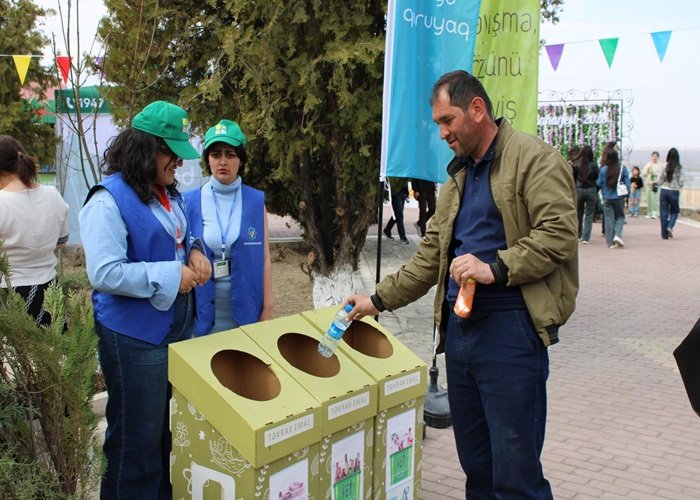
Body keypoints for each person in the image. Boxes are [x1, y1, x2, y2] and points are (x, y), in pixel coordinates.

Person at [346, 70, 578, 498]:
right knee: (477, 469)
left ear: (477, 109)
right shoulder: (457, 178)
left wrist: (497, 267)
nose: (442, 132)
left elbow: (559, 234)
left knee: (516, 475)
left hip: (512, 333)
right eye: (437, 123)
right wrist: (376, 300)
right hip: (461, 334)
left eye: (447, 120)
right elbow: (431, 257)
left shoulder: (535, 159)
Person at [79, 101, 211, 499]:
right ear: (145, 149)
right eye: (171, 153)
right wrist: (172, 274)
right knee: (137, 441)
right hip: (134, 338)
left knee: (168, 433)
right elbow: (104, 272)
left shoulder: (165, 191)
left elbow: (176, 236)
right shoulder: (107, 200)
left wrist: (195, 249)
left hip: (175, 329)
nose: (178, 164)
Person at [184, 119, 272, 335]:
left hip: (246, 313)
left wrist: (268, 309)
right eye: (216, 154)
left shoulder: (255, 201)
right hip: (202, 314)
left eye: (230, 155)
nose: (223, 161)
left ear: (240, 160)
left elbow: (265, 259)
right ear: (208, 160)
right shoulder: (189, 202)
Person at [0, 135, 69, 325]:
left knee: (14, 354)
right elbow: (62, 242)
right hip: (49, 292)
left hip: (8, 295)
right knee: (53, 352)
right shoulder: (53, 196)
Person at [597, 150, 630, 248]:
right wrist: (627, 196)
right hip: (619, 197)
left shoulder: (603, 170)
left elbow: (599, 183)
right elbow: (627, 184)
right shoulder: (622, 169)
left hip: (607, 198)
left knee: (608, 219)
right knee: (620, 217)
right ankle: (617, 235)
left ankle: (610, 242)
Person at [572, 145, 599, 244]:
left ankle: (579, 234)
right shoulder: (594, 164)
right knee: (589, 214)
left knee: (579, 213)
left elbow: (573, 177)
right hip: (591, 190)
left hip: (579, 191)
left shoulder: (577, 165)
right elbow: (597, 176)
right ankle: (586, 238)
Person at [658, 147, 684, 239]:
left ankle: (664, 235)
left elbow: (660, 179)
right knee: (675, 211)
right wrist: (678, 186)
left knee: (663, 212)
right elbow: (681, 182)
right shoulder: (679, 167)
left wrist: (657, 184)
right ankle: (670, 226)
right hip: (674, 191)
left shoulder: (664, 165)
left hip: (664, 191)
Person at [382, 177, 410, 244]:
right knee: (399, 214)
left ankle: (387, 230)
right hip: (394, 192)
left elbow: (405, 180)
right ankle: (402, 237)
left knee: (397, 214)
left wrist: (407, 193)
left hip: (402, 192)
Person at [642, 151, 662, 219]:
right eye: (653, 156)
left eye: (656, 156)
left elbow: (661, 175)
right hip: (648, 183)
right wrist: (648, 173)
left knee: (655, 198)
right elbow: (643, 173)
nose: (654, 158)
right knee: (649, 198)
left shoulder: (660, 165)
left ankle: (655, 212)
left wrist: (655, 178)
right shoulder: (648, 165)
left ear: (658, 158)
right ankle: (649, 212)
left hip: (655, 183)